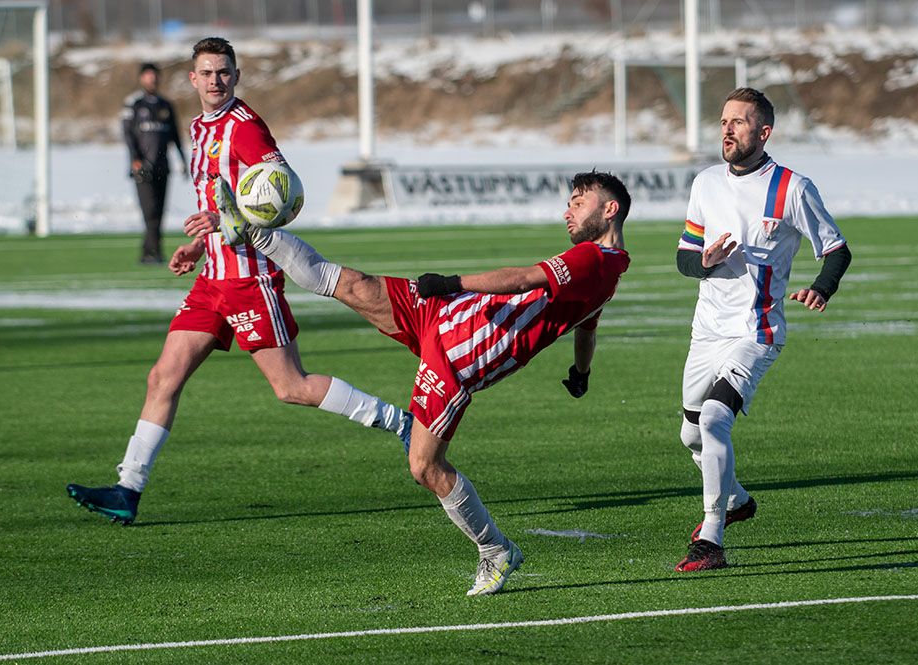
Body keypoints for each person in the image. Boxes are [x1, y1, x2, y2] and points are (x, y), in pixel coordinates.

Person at [196, 169, 632, 596]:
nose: (567, 213)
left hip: (459, 357)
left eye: (577, 203)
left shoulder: (595, 258)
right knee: (353, 284)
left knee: (425, 467)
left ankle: (495, 549)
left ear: (609, 209)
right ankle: (253, 234)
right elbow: (587, 327)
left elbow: (522, 278)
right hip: (446, 315)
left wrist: (451, 282)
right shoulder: (603, 274)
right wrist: (581, 373)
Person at [67, 37, 411, 526]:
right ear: (192, 78)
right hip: (212, 279)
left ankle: (403, 423)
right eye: (206, 73)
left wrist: (226, 220)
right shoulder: (199, 126)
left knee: (291, 386)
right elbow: (220, 202)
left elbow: (283, 193)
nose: (215, 81)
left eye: (224, 72)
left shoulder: (244, 128)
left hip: (251, 278)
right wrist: (200, 242)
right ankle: (127, 489)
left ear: (236, 75)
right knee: (163, 377)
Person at [673, 87, 852, 571]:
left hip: (757, 332)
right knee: (691, 437)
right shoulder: (706, 182)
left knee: (713, 420)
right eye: (724, 120)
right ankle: (737, 501)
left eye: (739, 121)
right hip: (706, 331)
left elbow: (836, 249)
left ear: (763, 131)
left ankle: (710, 537)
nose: (727, 129)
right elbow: (685, 258)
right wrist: (704, 262)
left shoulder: (792, 187)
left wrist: (822, 287)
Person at [122, 62, 187, 264]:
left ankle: (150, 251)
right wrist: (136, 159)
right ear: (142, 78)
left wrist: (183, 160)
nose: (152, 80)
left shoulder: (165, 105)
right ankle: (152, 252)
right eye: (149, 76)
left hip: (162, 167)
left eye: (155, 76)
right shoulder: (134, 103)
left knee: (159, 211)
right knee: (149, 210)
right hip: (142, 168)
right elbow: (128, 135)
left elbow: (176, 135)